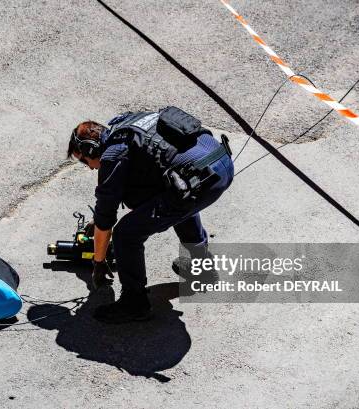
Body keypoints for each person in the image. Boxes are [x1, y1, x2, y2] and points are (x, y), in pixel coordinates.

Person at [67, 107, 234, 324]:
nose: (89, 168)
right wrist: (97, 221)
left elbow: (106, 217)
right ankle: (201, 268)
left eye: (84, 161)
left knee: (126, 235)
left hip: (199, 181)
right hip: (219, 162)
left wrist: (98, 262)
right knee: (175, 198)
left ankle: (134, 304)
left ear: (91, 151)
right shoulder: (129, 124)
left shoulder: (113, 155)